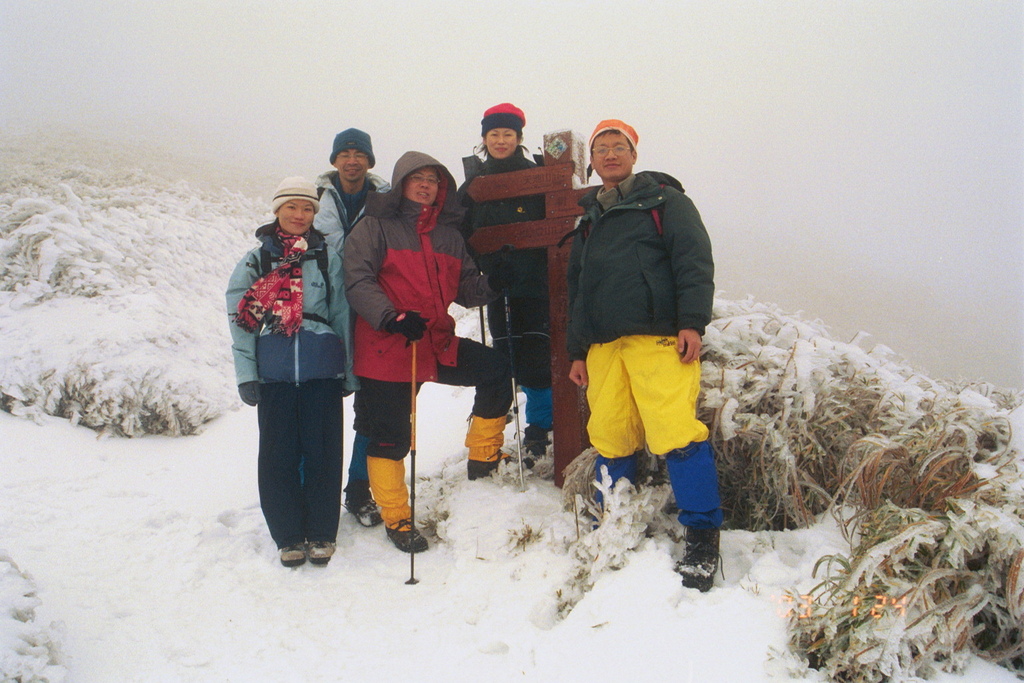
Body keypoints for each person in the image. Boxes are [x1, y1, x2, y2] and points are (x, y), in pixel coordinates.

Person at [566, 120, 722, 592]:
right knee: (611, 435)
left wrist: (692, 322)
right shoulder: (588, 219)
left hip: (657, 339)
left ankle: (702, 535)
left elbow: (693, 260)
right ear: (591, 161)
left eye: (619, 147)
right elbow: (577, 290)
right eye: (602, 149)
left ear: (634, 155)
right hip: (603, 346)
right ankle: (616, 518)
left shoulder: (666, 202)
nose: (610, 155)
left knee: (675, 431)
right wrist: (577, 351)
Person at [344, 151, 514, 553]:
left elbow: (468, 289)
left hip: (436, 343)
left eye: (433, 181)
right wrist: (392, 318)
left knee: (496, 370)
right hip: (388, 346)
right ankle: (397, 518)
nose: (425, 185)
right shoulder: (374, 227)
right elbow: (357, 280)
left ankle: (483, 459)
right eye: (417, 178)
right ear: (401, 183)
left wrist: (495, 282)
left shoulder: (448, 236)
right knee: (391, 437)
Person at [226, 177, 357, 568]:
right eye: (292, 207)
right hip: (275, 371)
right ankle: (286, 536)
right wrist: (246, 373)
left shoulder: (326, 256)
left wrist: (347, 371)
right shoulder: (256, 260)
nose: (299, 215)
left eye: (307, 209)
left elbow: (343, 316)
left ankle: (321, 532)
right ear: (277, 210)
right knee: (278, 456)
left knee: (322, 453)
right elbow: (241, 319)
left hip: (321, 368)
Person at [458, 103, 552, 461]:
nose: (500, 140)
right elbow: (462, 230)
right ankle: (494, 429)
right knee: (504, 354)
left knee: (537, 357)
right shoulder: (474, 185)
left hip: (536, 282)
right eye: (494, 134)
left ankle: (539, 427)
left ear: (519, 137)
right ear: (484, 138)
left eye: (507, 134)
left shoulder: (536, 177)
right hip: (496, 286)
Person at [313, 128, 390, 528]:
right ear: (334, 160)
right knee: (320, 411)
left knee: (370, 408)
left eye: (359, 153)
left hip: (371, 316)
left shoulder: (387, 203)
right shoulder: (311, 202)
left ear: (370, 161)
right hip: (324, 319)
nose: (352, 160)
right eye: (344, 153)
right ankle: (314, 492)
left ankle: (358, 490)